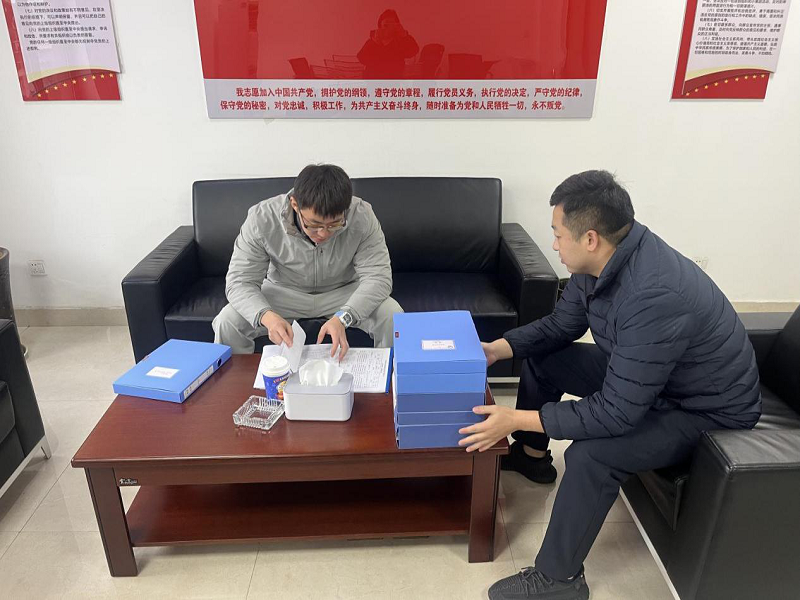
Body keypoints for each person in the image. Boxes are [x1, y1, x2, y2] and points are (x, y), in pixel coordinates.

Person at [458, 170, 761, 600]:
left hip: (705, 408)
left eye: (557, 235)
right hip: (651, 376)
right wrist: (499, 349)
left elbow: (616, 413)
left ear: (590, 238)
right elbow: (561, 326)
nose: (554, 245)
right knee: (545, 359)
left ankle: (559, 580)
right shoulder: (600, 262)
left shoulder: (652, 295)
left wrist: (515, 417)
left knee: (590, 456)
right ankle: (531, 457)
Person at [213, 164, 402, 358]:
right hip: (284, 291)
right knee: (228, 321)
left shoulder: (362, 216)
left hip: (343, 291)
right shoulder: (262, 219)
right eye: (314, 224)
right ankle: (236, 378)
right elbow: (240, 282)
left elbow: (378, 278)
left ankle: (390, 375)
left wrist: (344, 317)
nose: (323, 234)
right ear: (295, 205)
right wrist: (267, 317)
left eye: (334, 224)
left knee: (392, 315)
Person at [357, 9, 419, 79]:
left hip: (393, 80)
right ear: (380, 26)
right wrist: (375, 42)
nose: (388, 28)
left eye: (392, 24)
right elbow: (361, 57)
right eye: (386, 25)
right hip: (373, 80)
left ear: (397, 25)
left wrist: (404, 35)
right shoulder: (373, 40)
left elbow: (414, 51)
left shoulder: (400, 41)